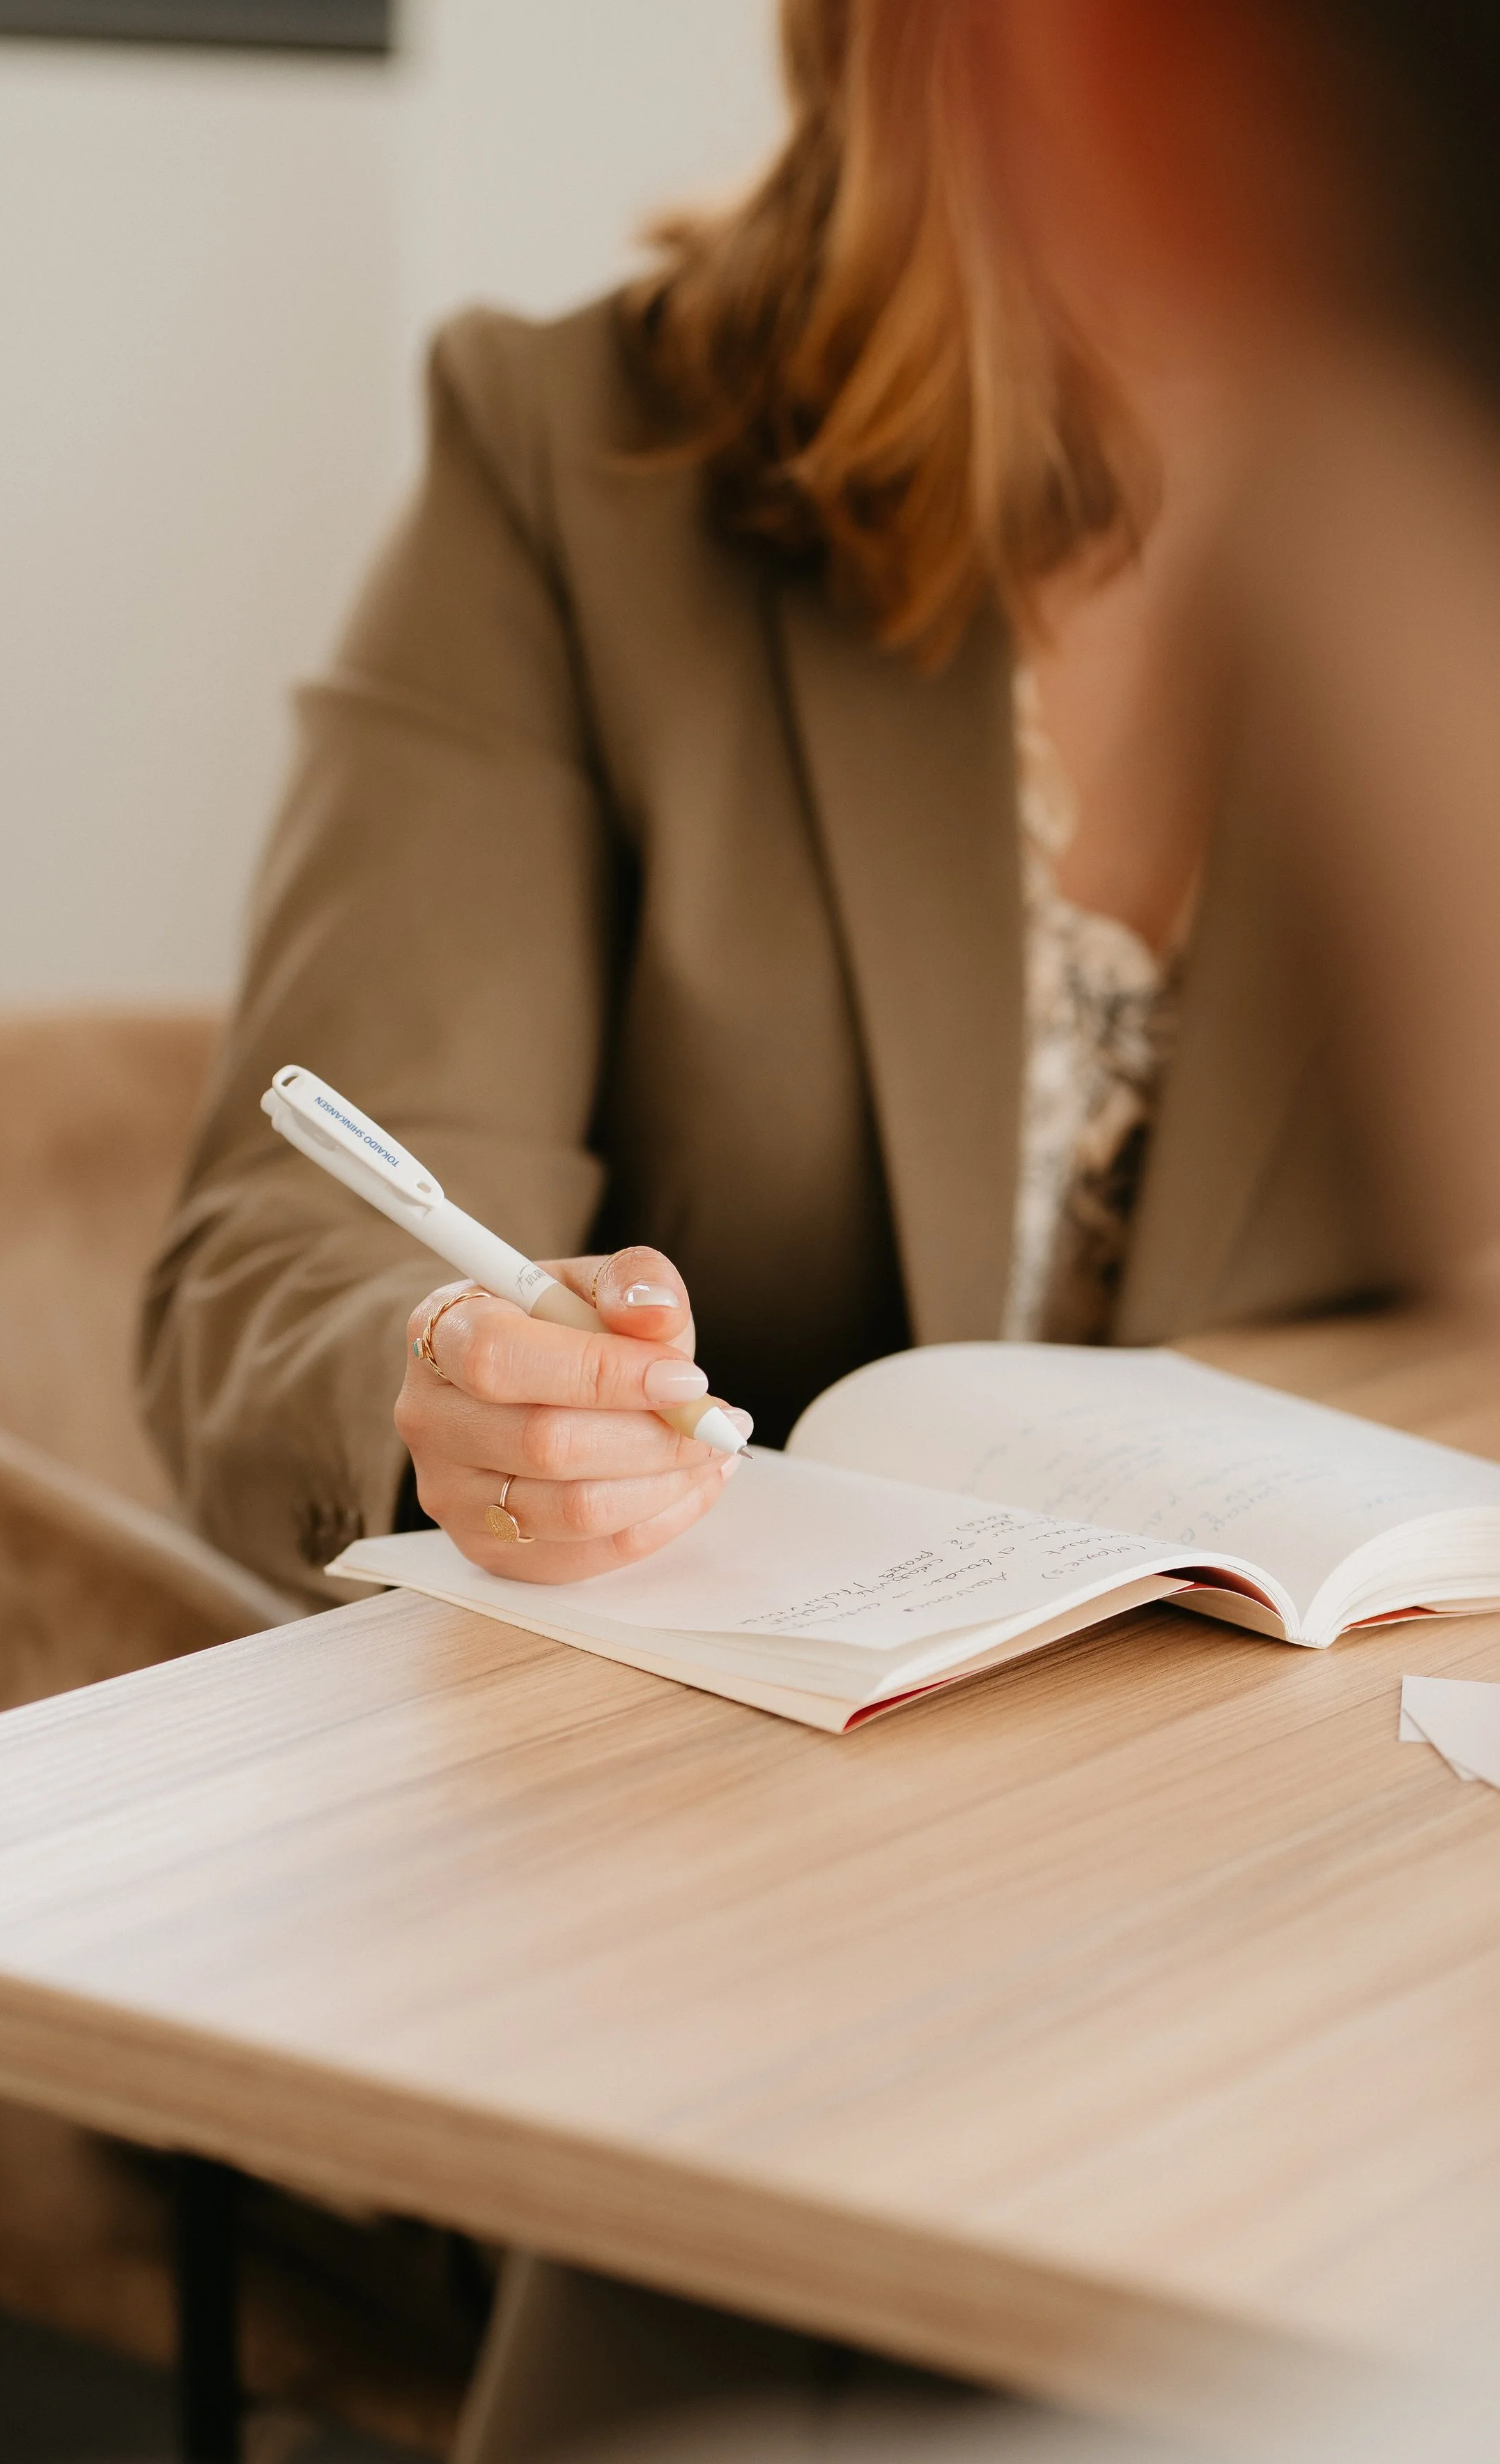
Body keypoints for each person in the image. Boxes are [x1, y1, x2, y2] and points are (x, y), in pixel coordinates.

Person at [139, 0, 1395, 1610]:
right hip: (740, 1758)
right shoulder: (571, 464)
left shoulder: (1419, 477)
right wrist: (473, 1398)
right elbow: (279, 1262)